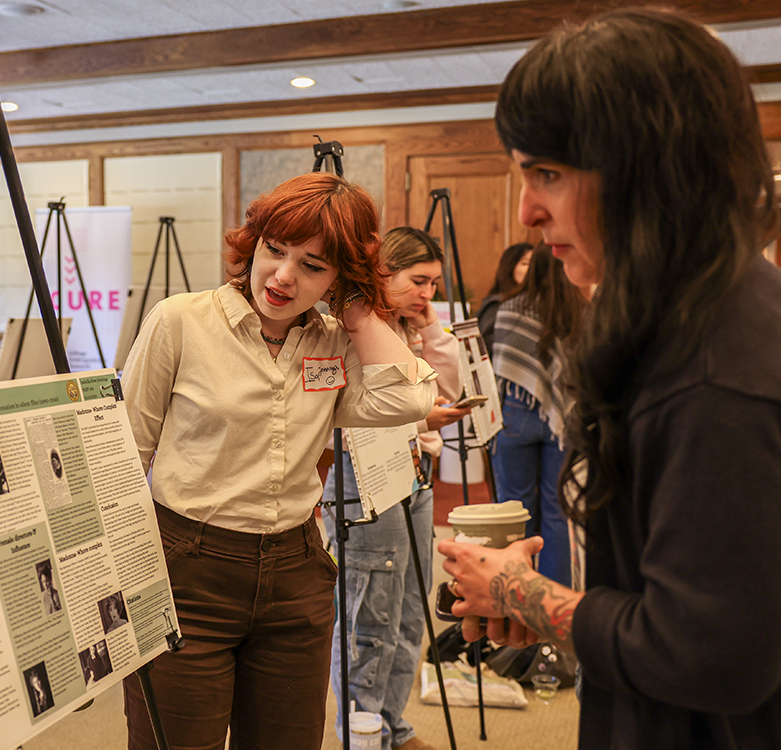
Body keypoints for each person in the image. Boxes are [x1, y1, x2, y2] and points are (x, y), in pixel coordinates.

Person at [438, 9, 781, 749]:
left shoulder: (717, 361)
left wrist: (517, 590)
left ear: (645, 170)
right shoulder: (709, 309)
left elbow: (709, 653)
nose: (530, 211)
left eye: (549, 174)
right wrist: (558, 607)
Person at [119, 172, 435, 750]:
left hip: (295, 574)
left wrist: (362, 314)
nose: (284, 276)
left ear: (341, 277)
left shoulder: (335, 340)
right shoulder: (180, 321)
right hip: (187, 571)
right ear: (254, 244)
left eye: (314, 266)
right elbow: (124, 455)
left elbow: (409, 399)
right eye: (275, 250)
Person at [321, 226, 470, 750]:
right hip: (366, 484)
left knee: (409, 614)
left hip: (416, 482)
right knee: (369, 619)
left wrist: (428, 322)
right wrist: (423, 422)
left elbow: (451, 385)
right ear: (384, 271)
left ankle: (391, 724)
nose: (428, 292)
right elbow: (352, 418)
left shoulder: (409, 326)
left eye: (434, 283)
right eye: (419, 281)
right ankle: (363, 734)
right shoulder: (352, 329)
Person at [489, 242, 584, 586]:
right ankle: (552, 599)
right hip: (564, 419)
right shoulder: (579, 310)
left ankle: (516, 593)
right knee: (558, 512)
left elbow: (501, 367)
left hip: (516, 414)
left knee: (516, 512)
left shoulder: (510, 307)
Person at [476, 242, 532, 358]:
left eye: (536, 264)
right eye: (525, 263)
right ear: (510, 267)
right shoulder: (496, 305)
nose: (532, 269)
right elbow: (486, 348)